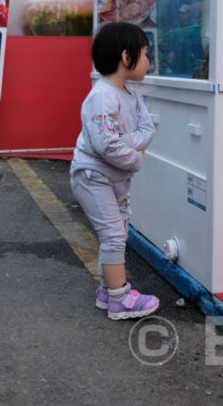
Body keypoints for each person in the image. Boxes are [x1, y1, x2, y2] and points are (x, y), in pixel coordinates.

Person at [70, 22, 159, 320]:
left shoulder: (130, 95)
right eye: (145, 53)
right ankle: (120, 299)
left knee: (117, 231)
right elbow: (105, 146)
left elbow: (148, 130)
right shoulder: (102, 96)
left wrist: (126, 142)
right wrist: (135, 157)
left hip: (114, 178)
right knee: (113, 235)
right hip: (93, 176)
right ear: (126, 57)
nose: (149, 60)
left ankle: (108, 292)